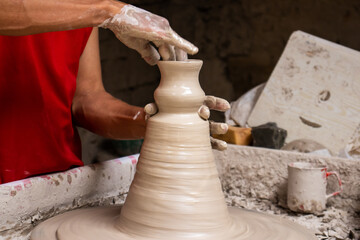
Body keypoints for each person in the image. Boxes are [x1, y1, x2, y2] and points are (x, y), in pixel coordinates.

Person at [0, 1, 229, 184]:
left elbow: (87, 100)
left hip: (56, 178)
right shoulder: (96, 8)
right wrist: (109, 12)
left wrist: (156, 121)